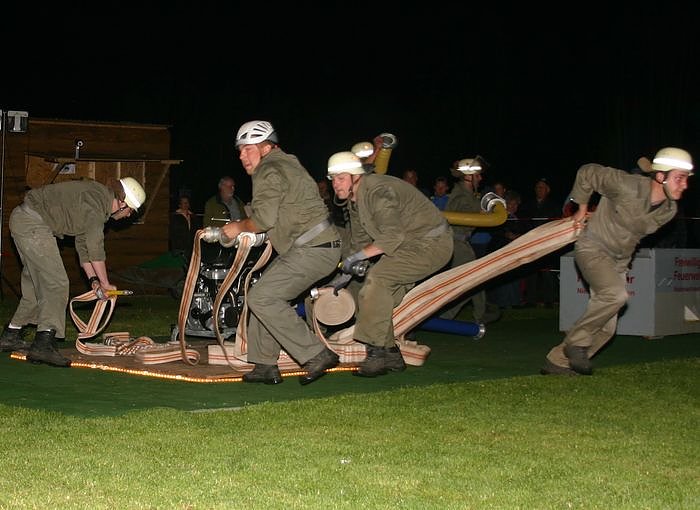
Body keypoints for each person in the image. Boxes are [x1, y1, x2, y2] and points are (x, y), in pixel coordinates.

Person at [541, 147, 694, 376]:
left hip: (619, 261)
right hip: (593, 248)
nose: (685, 185)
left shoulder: (668, 210)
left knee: (607, 329)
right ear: (661, 176)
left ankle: (557, 362)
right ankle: (576, 343)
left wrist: (624, 258)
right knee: (615, 295)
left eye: (687, 179)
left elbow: (634, 233)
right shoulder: (627, 184)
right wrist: (581, 208)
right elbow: (587, 171)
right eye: (679, 178)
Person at [220, 120, 341, 386]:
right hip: (314, 246)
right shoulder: (287, 163)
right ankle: (264, 364)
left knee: (263, 297)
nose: (241, 156)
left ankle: (316, 353)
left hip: (312, 249)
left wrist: (237, 227)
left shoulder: (268, 169)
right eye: (239, 150)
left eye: (247, 149)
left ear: (265, 148)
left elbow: (263, 220)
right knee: (262, 292)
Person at [326, 151, 453, 377]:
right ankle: (391, 353)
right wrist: (344, 275)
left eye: (341, 178)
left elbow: (392, 237)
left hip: (431, 243)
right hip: (407, 246)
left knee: (379, 279)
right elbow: (359, 243)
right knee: (367, 290)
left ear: (356, 176)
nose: (336, 184)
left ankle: (376, 354)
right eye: (332, 179)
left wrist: (356, 258)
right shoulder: (355, 201)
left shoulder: (378, 192)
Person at [0, 177, 146, 366]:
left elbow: (83, 246)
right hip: (33, 224)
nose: (128, 216)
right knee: (57, 283)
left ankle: (10, 335)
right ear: (122, 203)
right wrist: (106, 284)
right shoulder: (96, 206)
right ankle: (43, 344)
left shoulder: (96, 199)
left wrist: (94, 281)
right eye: (130, 211)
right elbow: (95, 250)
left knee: (37, 288)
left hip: (24, 220)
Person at [439, 157, 501, 324]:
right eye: (477, 175)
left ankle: (477, 313)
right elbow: (463, 214)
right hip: (458, 244)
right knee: (470, 281)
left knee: (472, 280)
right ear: (468, 176)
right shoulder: (460, 196)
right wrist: (483, 212)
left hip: (462, 243)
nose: (480, 178)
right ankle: (448, 317)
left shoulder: (467, 194)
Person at [519, 177, 562, 307]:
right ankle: (531, 300)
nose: (539, 190)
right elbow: (524, 222)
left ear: (547, 190)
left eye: (542, 187)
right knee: (531, 271)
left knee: (548, 272)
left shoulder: (554, 206)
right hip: (531, 241)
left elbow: (556, 223)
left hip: (546, 242)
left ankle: (550, 299)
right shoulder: (528, 205)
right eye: (537, 187)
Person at [169, 195, 197, 262]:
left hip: (191, 247)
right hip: (179, 248)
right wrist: (175, 247)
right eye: (184, 203)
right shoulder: (175, 216)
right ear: (180, 205)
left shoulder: (193, 217)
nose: (186, 204)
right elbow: (172, 233)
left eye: (187, 202)